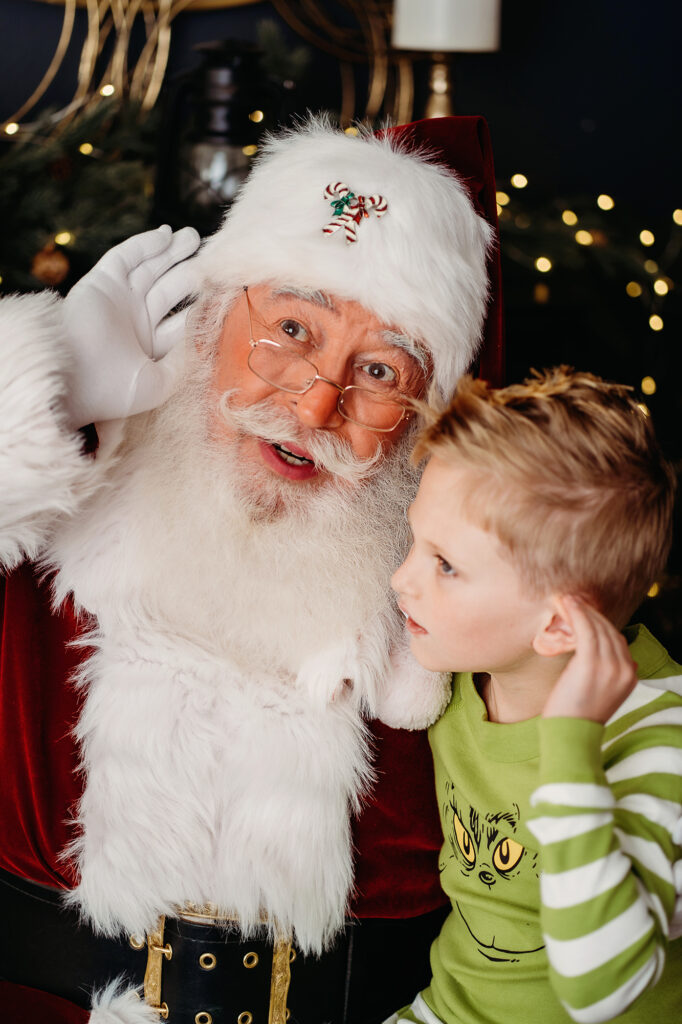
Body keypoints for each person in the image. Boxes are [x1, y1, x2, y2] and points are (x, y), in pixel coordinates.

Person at [0, 116, 501, 1024]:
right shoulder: (54, 489)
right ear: (211, 316)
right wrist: (46, 397)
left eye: (381, 370)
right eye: (292, 327)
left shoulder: (463, 605)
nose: (314, 402)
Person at [389, 368, 682, 1024]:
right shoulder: (461, 666)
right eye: (416, 542)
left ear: (556, 625)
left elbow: (602, 990)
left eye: (445, 565)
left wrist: (571, 745)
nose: (401, 578)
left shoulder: (660, 746)